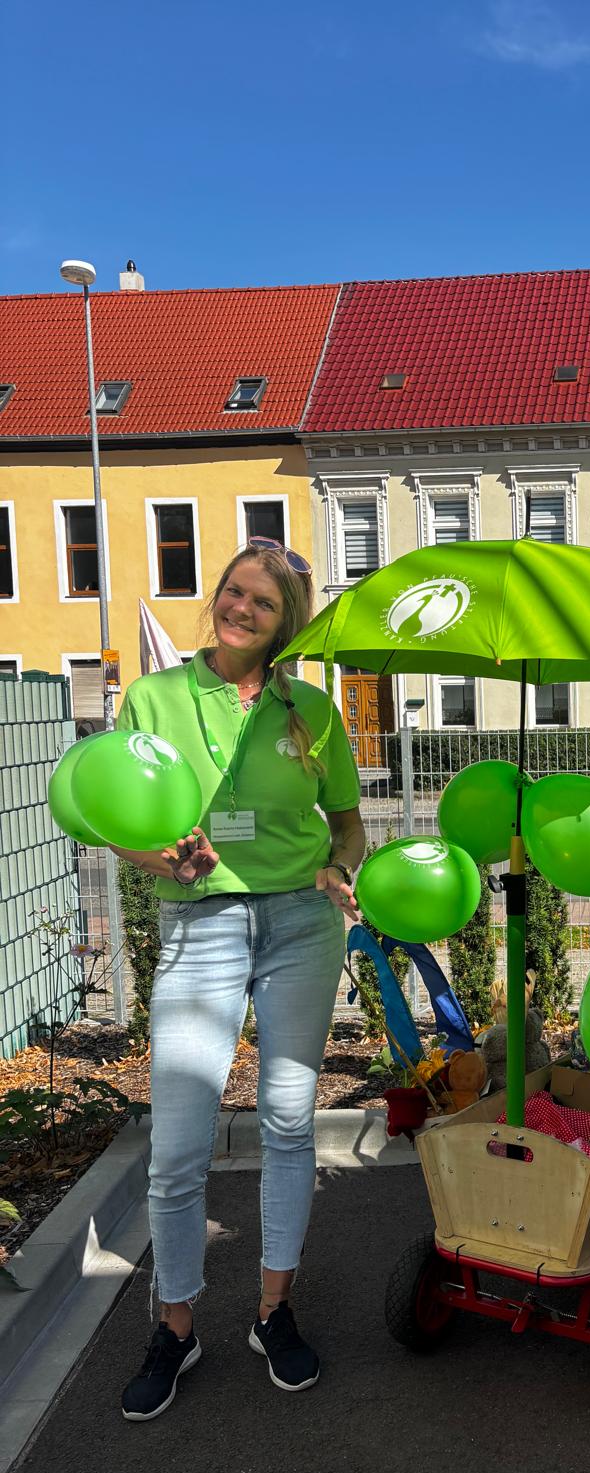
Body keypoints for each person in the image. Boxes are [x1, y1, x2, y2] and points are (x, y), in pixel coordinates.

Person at [113, 539, 365, 1421]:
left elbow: (348, 823)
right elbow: (118, 823)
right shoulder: (155, 696)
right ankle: (176, 1327)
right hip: (201, 923)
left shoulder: (313, 710)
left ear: (285, 622)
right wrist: (164, 858)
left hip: (300, 923)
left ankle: (272, 1311)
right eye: (232, 591)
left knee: (289, 1125)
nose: (240, 607)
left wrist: (341, 867)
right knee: (180, 1144)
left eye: (262, 601)